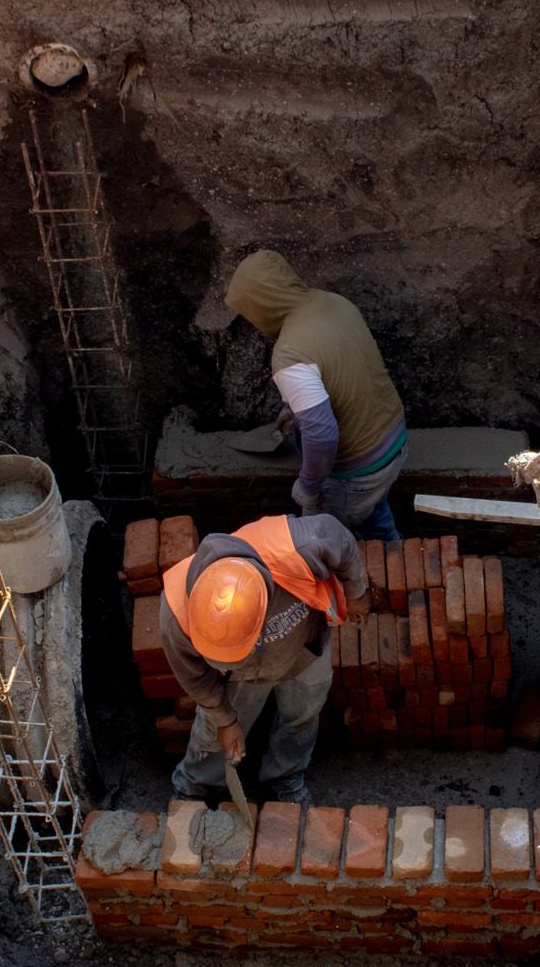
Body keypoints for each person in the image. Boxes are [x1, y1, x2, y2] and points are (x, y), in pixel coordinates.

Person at [162, 513, 371, 804]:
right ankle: (194, 787)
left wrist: (357, 592)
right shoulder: (176, 612)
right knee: (212, 733)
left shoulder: (298, 548)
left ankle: (285, 777)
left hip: (304, 651)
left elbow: (341, 540)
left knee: (302, 715)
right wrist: (225, 720)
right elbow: (195, 677)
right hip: (244, 678)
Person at [224, 249, 408, 540]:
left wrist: (308, 488)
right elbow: (346, 372)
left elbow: (322, 435)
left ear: (261, 304)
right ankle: (392, 549)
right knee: (372, 507)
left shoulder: (290, 353)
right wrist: (298, 411)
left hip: (356, 472)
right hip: (392, 442)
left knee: (327, 544)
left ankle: (370, 575)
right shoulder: (334, 302)